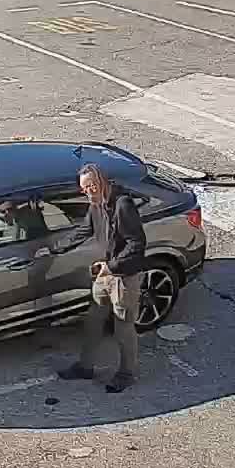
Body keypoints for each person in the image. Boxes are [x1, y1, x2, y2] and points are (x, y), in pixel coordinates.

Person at [59, 163, 148, 393]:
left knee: (123, 328)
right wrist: (56, 248)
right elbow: (85, 229)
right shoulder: (95, 205)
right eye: (85, 188)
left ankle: (126, 374)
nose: (88, 191)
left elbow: (136, 243)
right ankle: (85, 367)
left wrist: (113, 266)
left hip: (123, 277)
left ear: (102, 182)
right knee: (93, 320)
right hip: (104, 273)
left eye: (92, 186)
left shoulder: (122, 205)